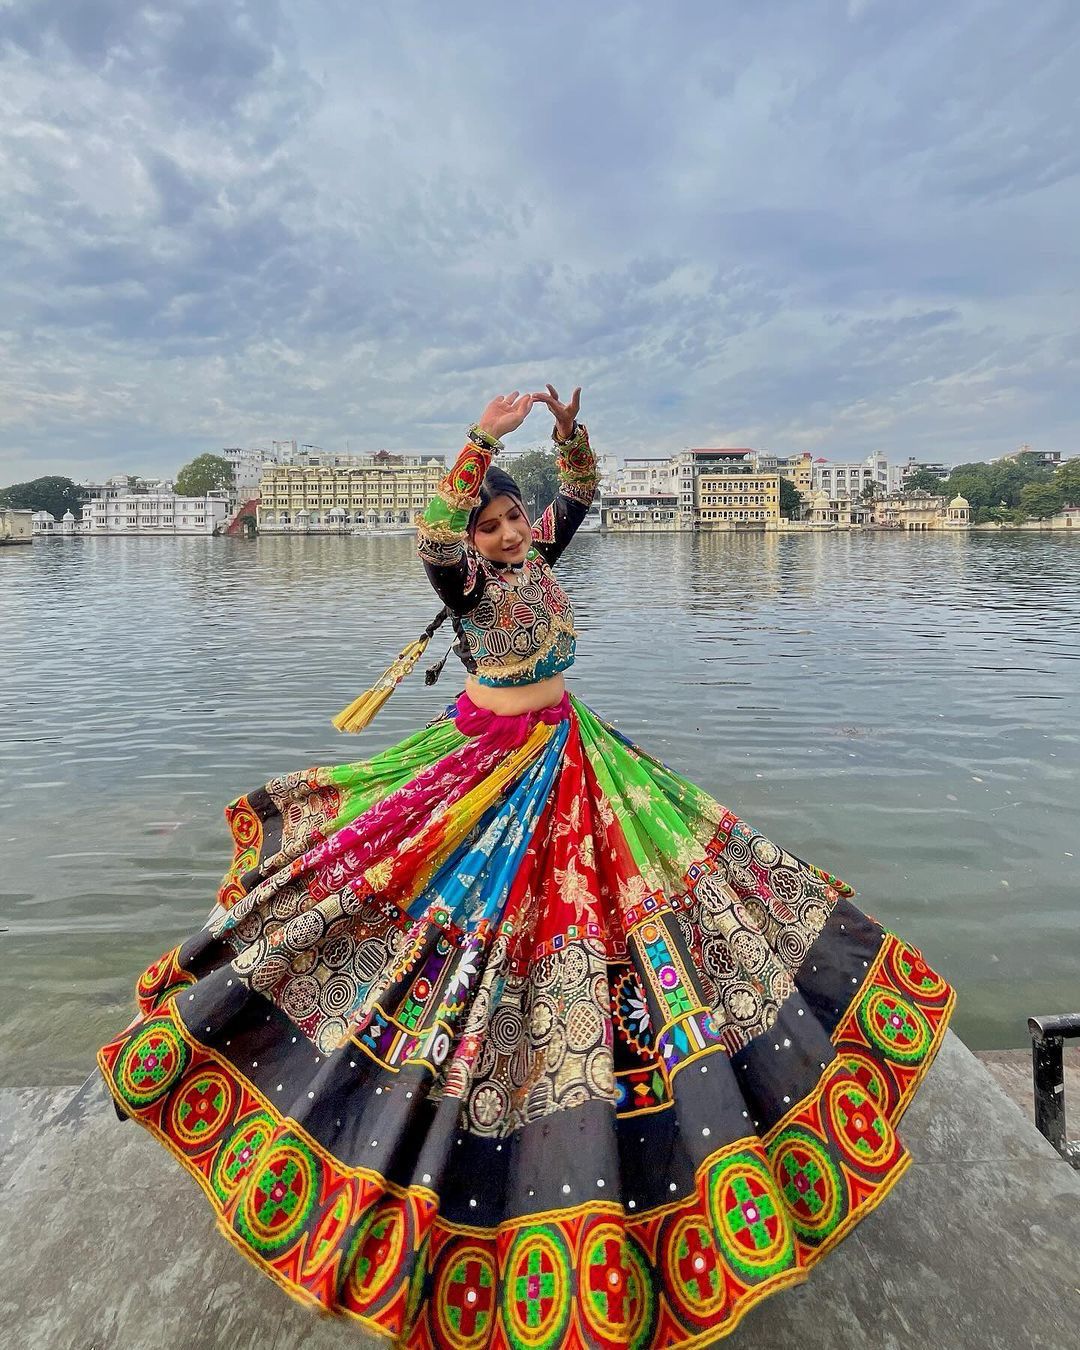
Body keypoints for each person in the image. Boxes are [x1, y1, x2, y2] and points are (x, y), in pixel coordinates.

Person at [99, 387, 955, 1348]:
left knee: (647, 912)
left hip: (572, 753)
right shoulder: (461, 580)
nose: (508, 534)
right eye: (493, 523)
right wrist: (480, 439)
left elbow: (580, 494)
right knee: (463, 932)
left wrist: (570, 439)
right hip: (490, 768)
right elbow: (431, 529)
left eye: (513, 518)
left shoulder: (539, 550)